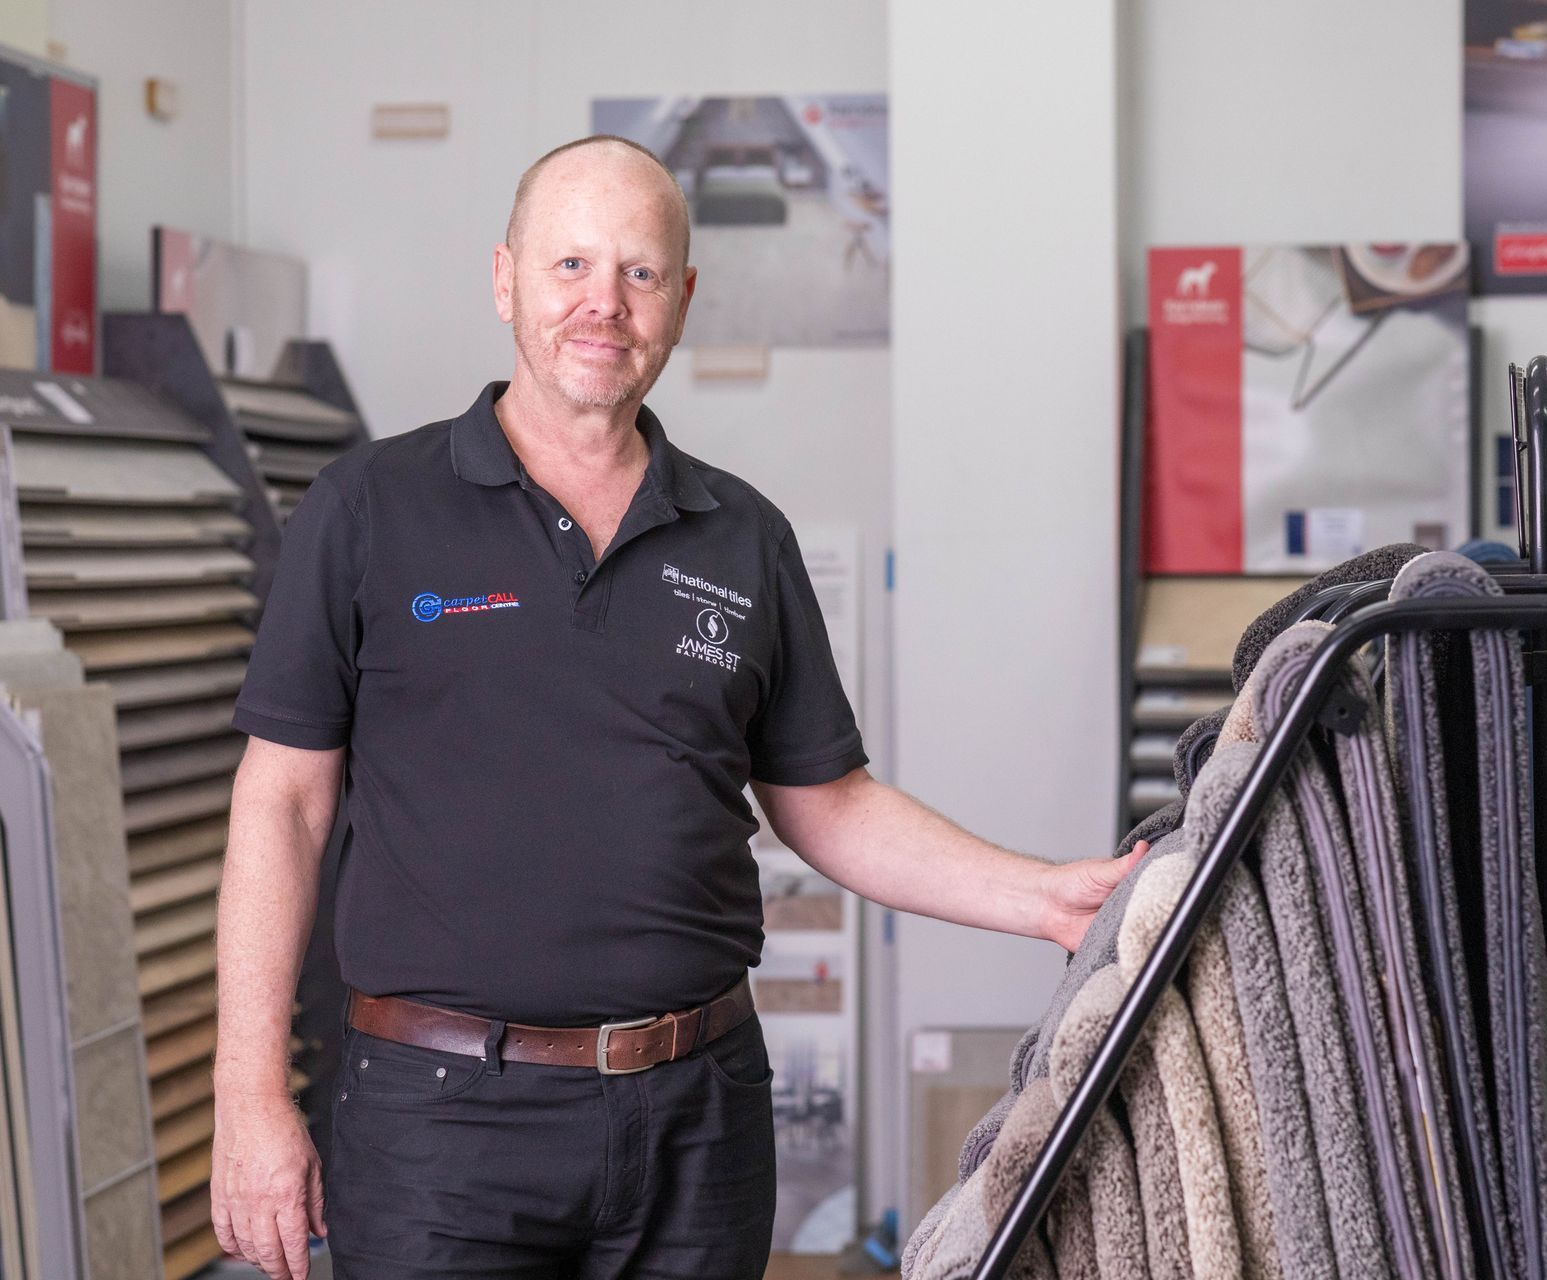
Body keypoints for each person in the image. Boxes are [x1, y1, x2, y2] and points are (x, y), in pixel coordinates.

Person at [210, 135, 1147, 1280]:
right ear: (504, 277)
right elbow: (283, 806)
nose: (602, 304)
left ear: (682, 298)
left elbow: (829, 801)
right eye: (569, 267)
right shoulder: (368, 507)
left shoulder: (740, 533)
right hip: (440, 1126)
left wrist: (1045, 897)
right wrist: (250, 1095)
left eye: (639, 273)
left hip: (697, 1122)